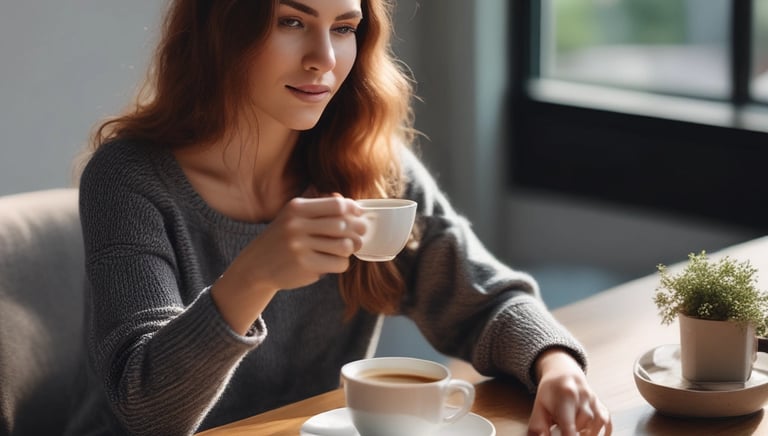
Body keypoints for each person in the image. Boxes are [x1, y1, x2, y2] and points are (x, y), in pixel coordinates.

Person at [65, 0, 612, 435]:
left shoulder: (368, 166)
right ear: (221, 26)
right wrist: (255, 275)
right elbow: (147, 414)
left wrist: (555, 365)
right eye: (292, 21)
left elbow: (485, 300)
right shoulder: (128, 178)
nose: (324, 58)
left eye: (344, 27)